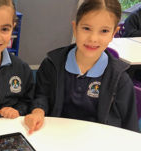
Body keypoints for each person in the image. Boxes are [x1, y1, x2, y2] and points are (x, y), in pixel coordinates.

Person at [25, 0, 139, 133]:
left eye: (104, 31)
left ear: (113, 34)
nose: (93, 38)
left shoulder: (120, 79)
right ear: (75, 28)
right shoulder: (51, 65)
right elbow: (41, 96)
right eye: (86, 28)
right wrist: (38, 110)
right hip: (54, 137)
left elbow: (130, 128)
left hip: (98, 144)